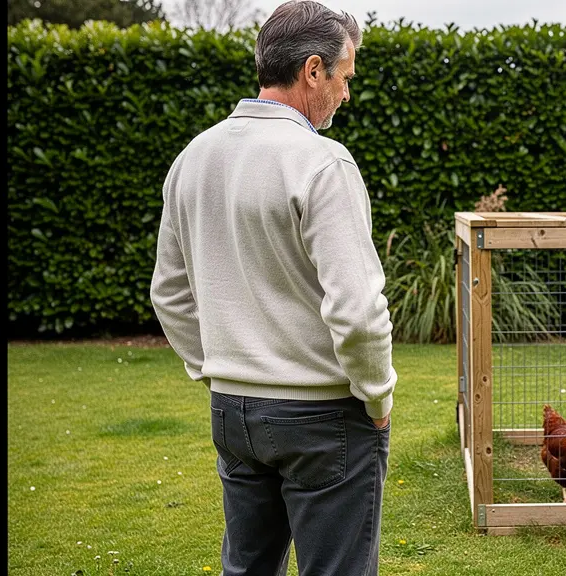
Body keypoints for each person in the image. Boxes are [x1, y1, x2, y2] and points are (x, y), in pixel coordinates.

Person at [149, 2, 396, 574]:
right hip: (325, 416)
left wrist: (217, 368)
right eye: (346, 76)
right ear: (314, 70)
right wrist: (377, 395)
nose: (347, 93)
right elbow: (358, 312)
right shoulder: (323, 162)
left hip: (233, 412)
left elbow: (170, 293)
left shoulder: (194, 157)